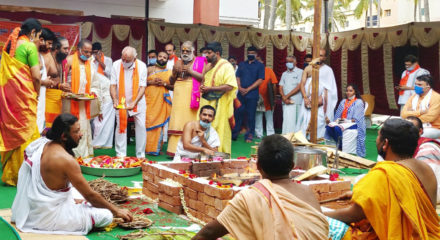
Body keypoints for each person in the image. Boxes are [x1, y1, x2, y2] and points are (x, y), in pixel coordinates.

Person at [11, 113, 132, 235]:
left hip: (35, 207)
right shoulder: (66, 160)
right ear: (64, 136)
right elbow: (90, 196)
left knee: (76, 191)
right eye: (77, 131)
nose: (81, 134)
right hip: (48, 216)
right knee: (105, 215)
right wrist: (117, 211)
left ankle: (72, 205)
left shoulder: (44, 144)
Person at [192, 134, 329, 240]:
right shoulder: (307, 192)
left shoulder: (250, 197)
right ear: (292, 166)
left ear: (258, 166)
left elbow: (208, 233)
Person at [326, 118, 440, 239]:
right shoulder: (426, 168)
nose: (376, 140)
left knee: (324, 224)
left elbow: (353, 215)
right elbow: (405, 199)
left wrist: (320, 213)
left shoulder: (385, 173)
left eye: (378, 136)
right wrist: (358, 195)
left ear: (385, 144)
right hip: (428, 236)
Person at [0, 18, 43, 186]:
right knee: (28, 131)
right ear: (33, 33)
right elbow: (36, 77)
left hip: (9, 98)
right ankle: (23, 175)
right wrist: (37, 94)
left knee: (13, 131)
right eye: (38, 35)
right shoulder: (29, 46)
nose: (38, 39)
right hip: (24, 98)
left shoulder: (10, 45)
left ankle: (11, 174)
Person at [167, 41, 205, 156]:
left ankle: (191, 149)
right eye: (183, 51)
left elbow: (203, 78)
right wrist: (174, 72)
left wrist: (190, 71)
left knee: (190, 119)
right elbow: (171, 81)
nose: (185, 53)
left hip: (192, 94)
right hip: (179, 94)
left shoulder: (200, 62)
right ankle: (174, 150)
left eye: (187, 51)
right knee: (177, 120)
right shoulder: (178, 62)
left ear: (193, 51)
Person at [65, 39, 102, 158]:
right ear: (78, 49)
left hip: (84, 103)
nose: (87, 55)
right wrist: (70, 93)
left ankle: (83, 155)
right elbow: (62, 81)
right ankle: (71, 155)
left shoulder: (90, 63)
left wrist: (93, 93)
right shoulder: (69, 60)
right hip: (69, 102)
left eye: (90, 52)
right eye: (85, 51)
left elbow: (96, 82)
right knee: (70, 128)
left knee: (83, 128)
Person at [199, 42, 238, 154]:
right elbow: (203, 81)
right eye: (206, 53)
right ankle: (204, 154)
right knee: (204, 129)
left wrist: (210, 89)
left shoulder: (226, 66)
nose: (206, 55)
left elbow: (230, 85)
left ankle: (220, 156)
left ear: (217, 53)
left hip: (220, 105)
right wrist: (203, 87)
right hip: (206, 103)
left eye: (209, 53)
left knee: (219, 129)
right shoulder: (208, 66)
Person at [110, 46, 147, 158]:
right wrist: (115, 100)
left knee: (140, 126)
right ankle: (120, 155)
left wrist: (134, 102)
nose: (124, 62)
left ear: (134, 58)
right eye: (123, 59)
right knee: (121, 126)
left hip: (138, 101)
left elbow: (142, 87)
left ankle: (140, 155)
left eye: (128, 60)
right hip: (121, 101)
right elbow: (112, 85)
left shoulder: (142, 66)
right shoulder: (116, 64)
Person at [297, 50, 338, 139]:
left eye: (322, 55)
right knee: (305, 121)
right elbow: (302, 84)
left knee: (319, 122)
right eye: (317, 55)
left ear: (325, 58)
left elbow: (331, 89)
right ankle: (305, 143)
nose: (319, 57)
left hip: (321, 103)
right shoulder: (308, 68)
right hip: (307, 100)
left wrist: (321, 99)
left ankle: (318, 144)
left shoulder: (328, 70)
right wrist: (305, 98)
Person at [232, 46, 265, 143]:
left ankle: (249, 135)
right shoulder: (242, 64)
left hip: (252, 94)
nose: (250, 54)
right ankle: (235, 134)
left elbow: (260, 80)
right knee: (238, 114)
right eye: (249, 52)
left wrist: (248, 89)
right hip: (240, 94)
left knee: (251, 116)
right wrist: (240, 87)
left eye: (252, 53)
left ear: (256, 54)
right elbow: (237, 76)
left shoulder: (260, 65)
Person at [326, 84, 366, 157]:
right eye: (347, 91)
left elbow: (357, 119)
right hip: (343, 122)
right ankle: (339, 143)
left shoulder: (359, 102)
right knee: (328, 127)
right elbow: (338, 114)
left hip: (354, 123)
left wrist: (347, 121)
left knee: (337, 128)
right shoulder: (343, 101)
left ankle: (340, 147)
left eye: (350, 91)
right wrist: (337, 120)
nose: (348, 92)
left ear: (355, 92)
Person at [408, 116, 440, 203]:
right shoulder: (398, 145)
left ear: (420, 131)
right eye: (403, 129)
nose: (406, 132)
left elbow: (432, 192)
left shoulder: (428, 149)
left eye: (411, 129)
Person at [145, 51, 173, 155]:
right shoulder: (149, 69)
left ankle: (156, 149)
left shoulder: (170, 72)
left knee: (158, 124)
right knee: (148, 122)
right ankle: (147, 148)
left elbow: (174, 86)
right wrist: (151, 82)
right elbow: (140, 82)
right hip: (148, 99)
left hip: (161, 101)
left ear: (167, 60)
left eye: (164, 57)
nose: (162, 58)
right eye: (160, 56)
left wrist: (164, 83)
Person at [401, 74, 440, 139]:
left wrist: (411, 117)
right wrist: (420, 112)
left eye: (419, 85)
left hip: (434, 128)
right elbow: (403, 114)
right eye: (415, 84)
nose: (416, 86)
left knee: (414, 135)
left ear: (428, 86)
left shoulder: (436, 97)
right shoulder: (413, 97)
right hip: (414, 126)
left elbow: (430, 118)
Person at [91, 42, 114, 149]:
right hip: (95, 90)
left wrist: (100, 62)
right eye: (93, 53)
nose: (94, 55)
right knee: (96, 118)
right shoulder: (90, 60)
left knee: (106, 119)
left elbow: (110, 74)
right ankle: (95, 141)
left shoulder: (108, 60)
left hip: (107, 90)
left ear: (101, 51)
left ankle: (106, 143)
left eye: (96, 52)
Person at [45, 37, 71, 128]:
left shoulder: (62, 61)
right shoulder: (48, 59)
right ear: (56, 48)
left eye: (68, 48)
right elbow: (41, 81)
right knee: (48, 128)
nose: (67, 51)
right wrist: (59, 85)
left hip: (59, 99)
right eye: (65, 48)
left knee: (56, 128)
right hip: (48, 100)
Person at [36, 28, 57, 133]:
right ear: (41, 40)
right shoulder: (32, 54)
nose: (50, 46)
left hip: (40, 99)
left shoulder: (41, 55)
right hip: (33, 100)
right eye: (49, 43)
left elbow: (54, 73)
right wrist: (45, 82)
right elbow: (28, 79)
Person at [255, 55, 278, 139]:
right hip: (257, 98)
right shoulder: (253, 71)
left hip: (268, 98)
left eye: (258, 60)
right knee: (258, 117)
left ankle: (270, 134)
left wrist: (274, 98)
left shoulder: (269, 71)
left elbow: (274, 84)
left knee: (269, 117)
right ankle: (258, 134)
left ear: (262, 61)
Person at [279, 55, 303, 134]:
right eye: (287, 62)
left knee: (296, 123)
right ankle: (286, 138)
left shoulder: (300, 72)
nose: (289, 63)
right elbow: (280, 86)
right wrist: (284, 97)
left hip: (296, 101)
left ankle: (295, 140)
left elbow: (299, 87)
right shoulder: (284, 74)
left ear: (295, 62)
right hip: (285, 102)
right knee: (287, 122)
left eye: (291, 62)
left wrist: (286, 96)